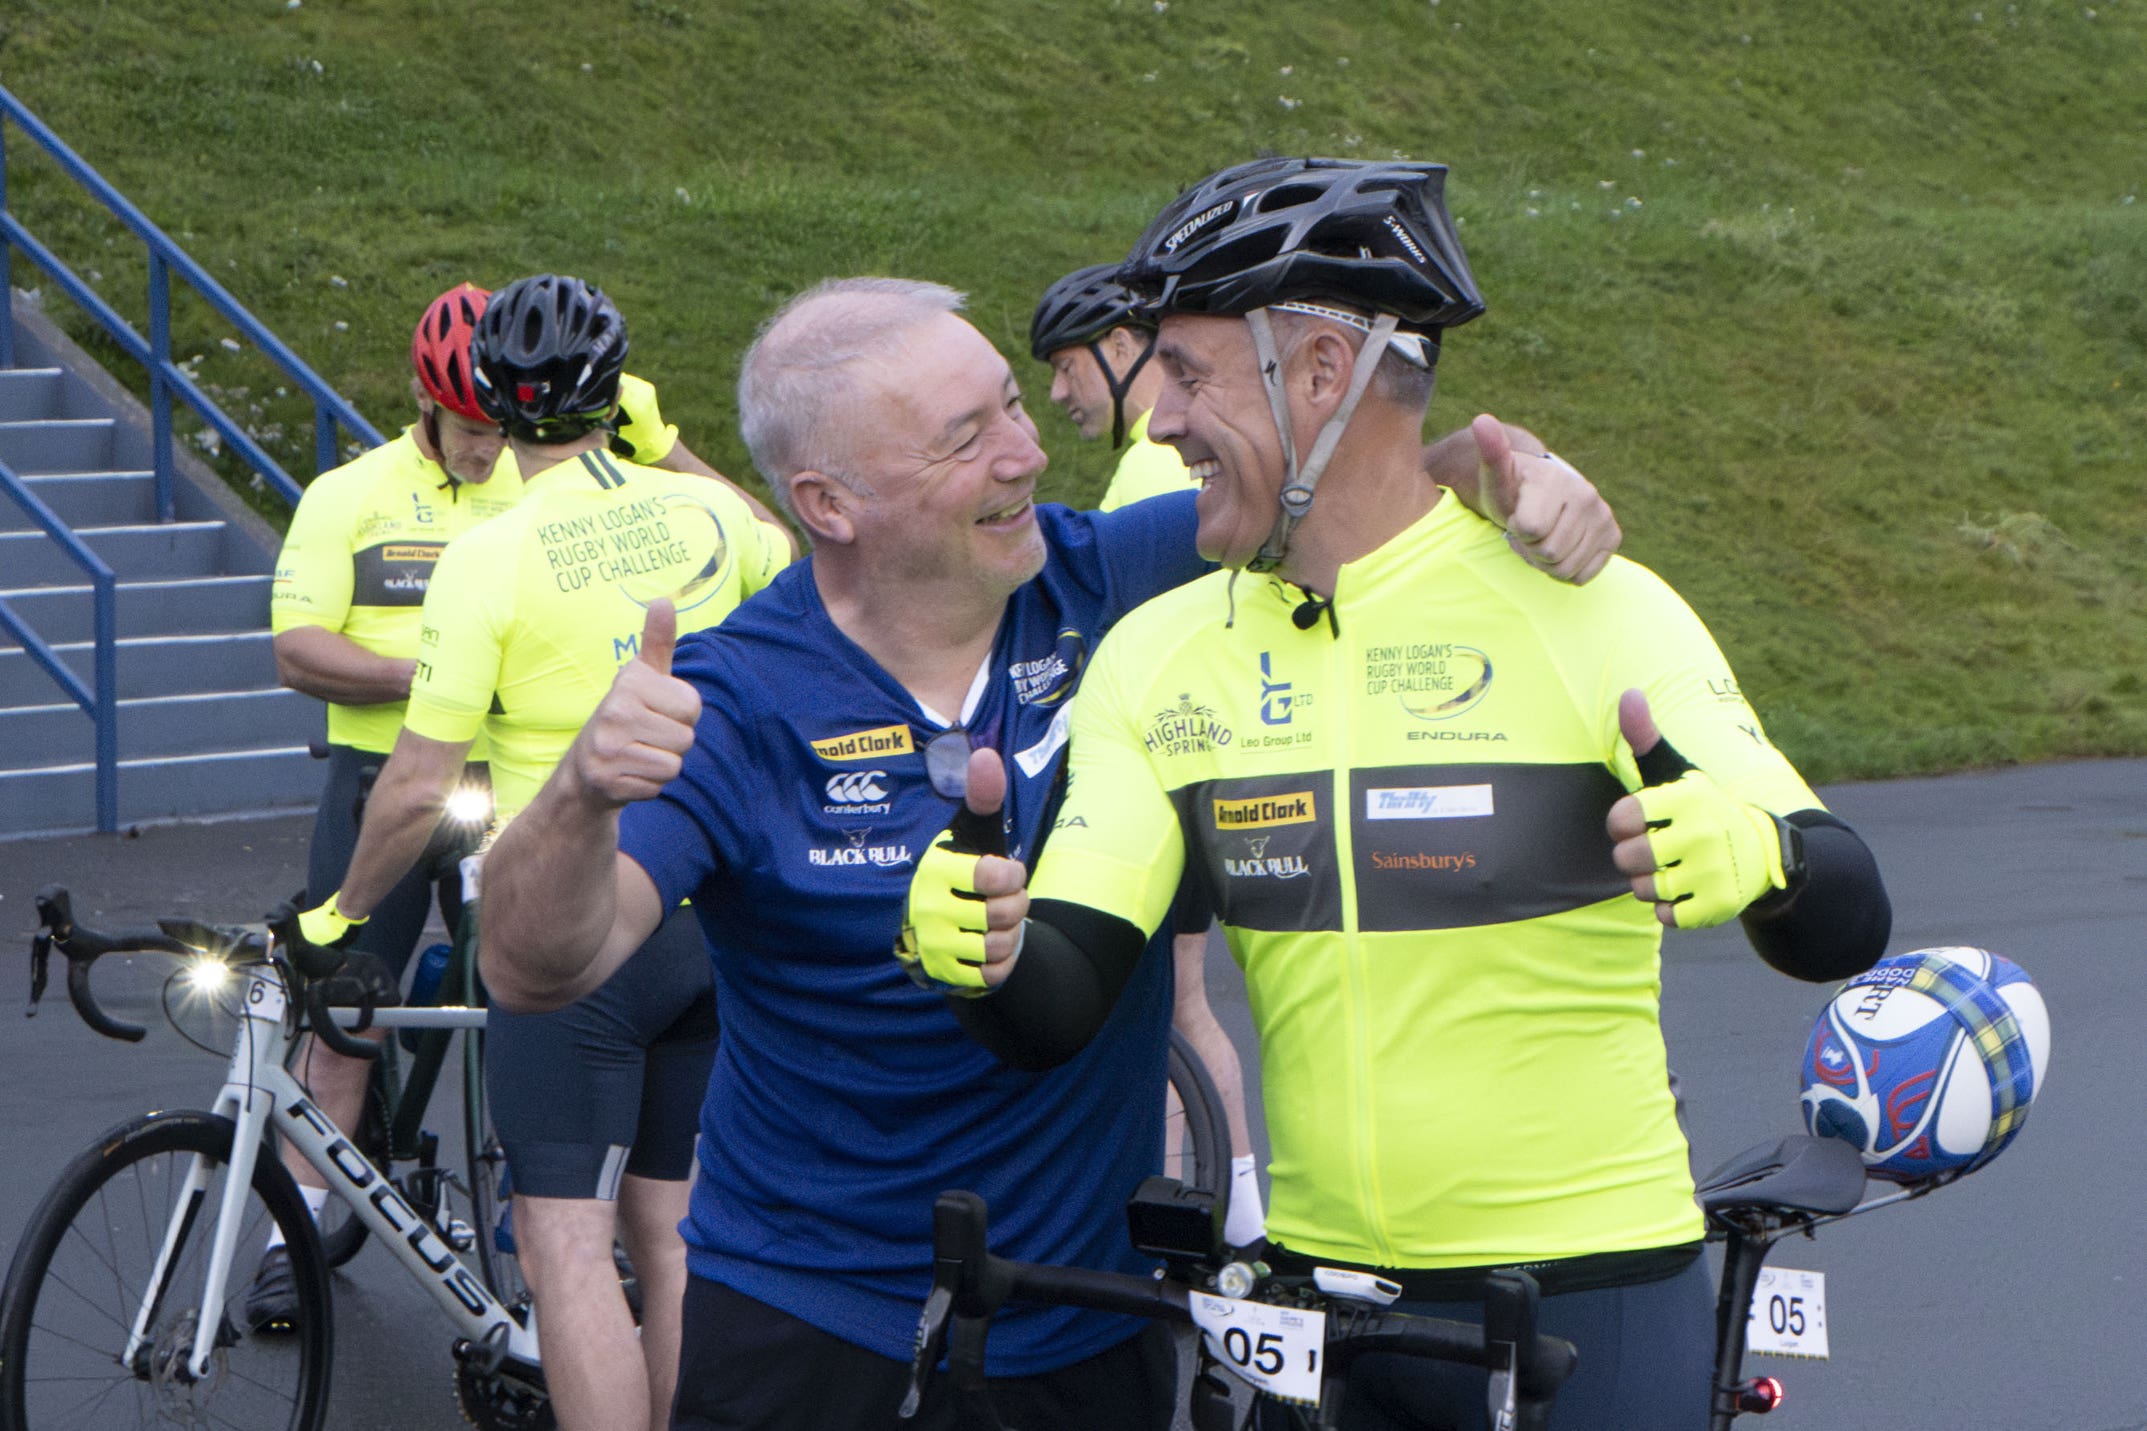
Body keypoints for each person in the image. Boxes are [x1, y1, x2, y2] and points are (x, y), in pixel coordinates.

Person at [476, 274, 1619, 1431]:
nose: (1024, 454)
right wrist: (576, 796)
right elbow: (535, 966)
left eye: (1013, 410)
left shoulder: (1127, 581)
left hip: (1087, 1322)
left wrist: (1515, 467)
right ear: (828, 503)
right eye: (964, 440)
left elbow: (1375, 484)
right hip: (812, 1329)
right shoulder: (737, 693)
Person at [899, 159, 1894, 1431]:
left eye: (1190, 376)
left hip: (1587, 1309)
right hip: (1318, 1326)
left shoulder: (1584, 607)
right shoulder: (1161, 656)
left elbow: (1844, 917)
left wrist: (1765, 860)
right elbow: (1059, 1001)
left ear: (1320, 372)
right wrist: (977, 951)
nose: (1158, 425)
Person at [293, 273, 793, 1431]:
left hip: (572, 934)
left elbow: (417, 783)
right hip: (707, 906)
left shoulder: (490, 557)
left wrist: (336, 917)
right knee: (672, 1234)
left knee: (561, 1238)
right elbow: (788, 547)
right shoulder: (704, 517)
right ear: (616, 395)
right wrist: (672, 451)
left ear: (496, 408)